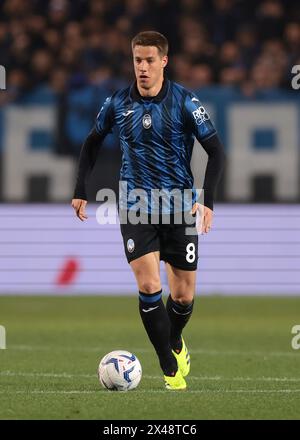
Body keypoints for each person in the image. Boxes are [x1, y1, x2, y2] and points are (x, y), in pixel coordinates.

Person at [71, 31, 225, 390]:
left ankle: (174, 339)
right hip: (136, 206)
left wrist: (208, 200)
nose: (142, 67)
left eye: (150, 60)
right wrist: (81, 189)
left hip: (179, 206)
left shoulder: (186, 102)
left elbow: (216, 151)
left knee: (183, 295)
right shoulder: (116, 103)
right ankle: (168, 368)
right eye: (137, 60)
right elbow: (92, 142)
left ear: (164, 62)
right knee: (149, 284)